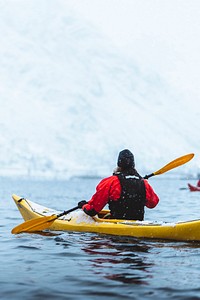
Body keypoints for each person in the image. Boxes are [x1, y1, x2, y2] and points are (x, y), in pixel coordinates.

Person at [78, 149, 159, 221]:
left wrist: (84, 206)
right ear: (133, 165)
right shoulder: (143, 183)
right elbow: (153, 204)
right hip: (137, 223)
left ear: (119, 164)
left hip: (116, 226)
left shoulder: (110, 182)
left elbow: (92, 211)